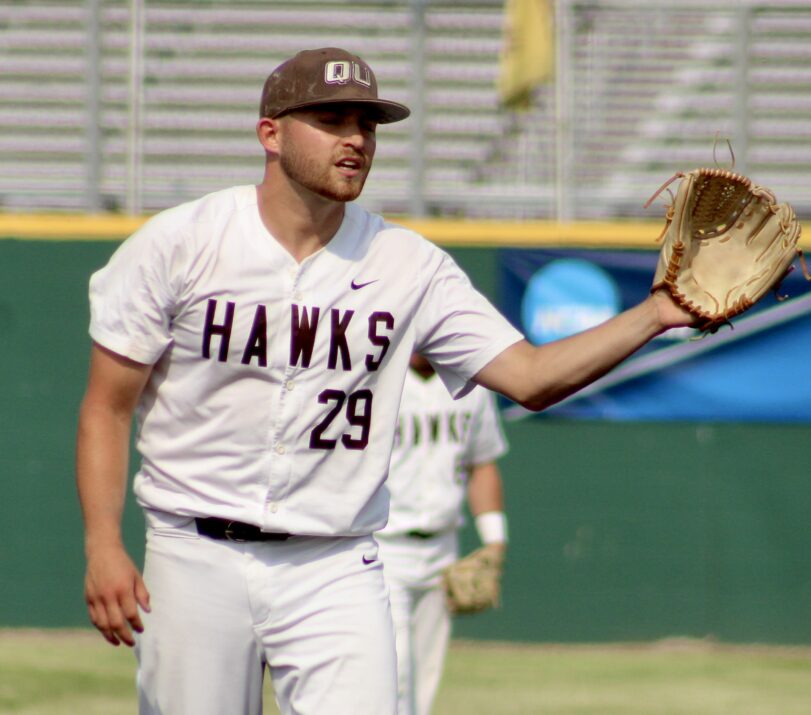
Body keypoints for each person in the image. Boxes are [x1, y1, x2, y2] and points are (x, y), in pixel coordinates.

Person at [76, 46, 694, 715]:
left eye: (366, 125)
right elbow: (107, 409)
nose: (355, 139)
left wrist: (655, 313)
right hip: (194, 552)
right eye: (332, 119)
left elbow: (531, 376)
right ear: (270, 133)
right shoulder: (180, 243)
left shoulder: (410, 265)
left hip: (335, 564)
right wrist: (104, 543)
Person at [378, 352, 509, 715]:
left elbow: (482, 462)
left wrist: (495, 541)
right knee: (394, 670)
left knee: (427, 672)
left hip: (443, 547)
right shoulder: (377, 377)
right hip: (383, 547)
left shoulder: (472, 385)